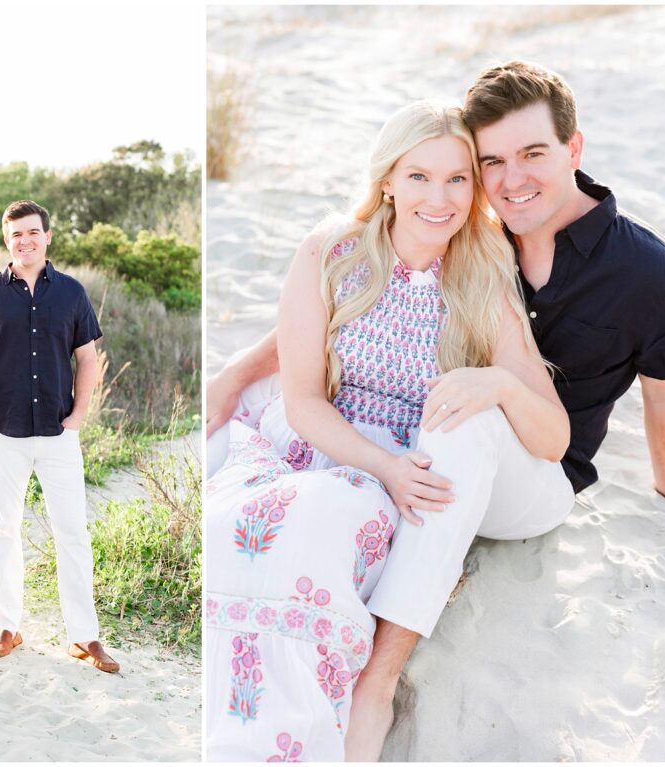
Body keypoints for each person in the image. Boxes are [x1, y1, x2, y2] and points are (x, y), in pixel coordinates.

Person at [206, 61, 665, 760]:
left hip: (537, 470)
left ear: (574, 150)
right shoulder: (472, 234)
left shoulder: (637, 272)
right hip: (412, 446)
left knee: (461, 423)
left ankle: (377, 682)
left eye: (532, 154)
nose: (510, 177)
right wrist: (235, 370)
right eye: (491, 161)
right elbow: (327, 312)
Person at [206, 100, 570, 761]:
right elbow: (304, 397)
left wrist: (502, 384)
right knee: (259, 529)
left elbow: (553, 438)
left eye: (458, 178)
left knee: (319, 527)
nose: (440, 197)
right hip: (345, 446)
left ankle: (365, 691)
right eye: (420, 177)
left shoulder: (482, 280)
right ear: (388, 182)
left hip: (425, 464)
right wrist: (382, 465)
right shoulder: (331, 253)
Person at [0, 200, 119, 673]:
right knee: (3, 530)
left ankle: (84, 637)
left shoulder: (71, 293)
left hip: (58, 432)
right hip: (2, 432)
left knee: (73, 533)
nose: (23, 241)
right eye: (15, 235)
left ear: (47, 237)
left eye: (31, 233)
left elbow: (87, 358)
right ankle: (8, 626)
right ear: (7, 240)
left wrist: (80, 414)